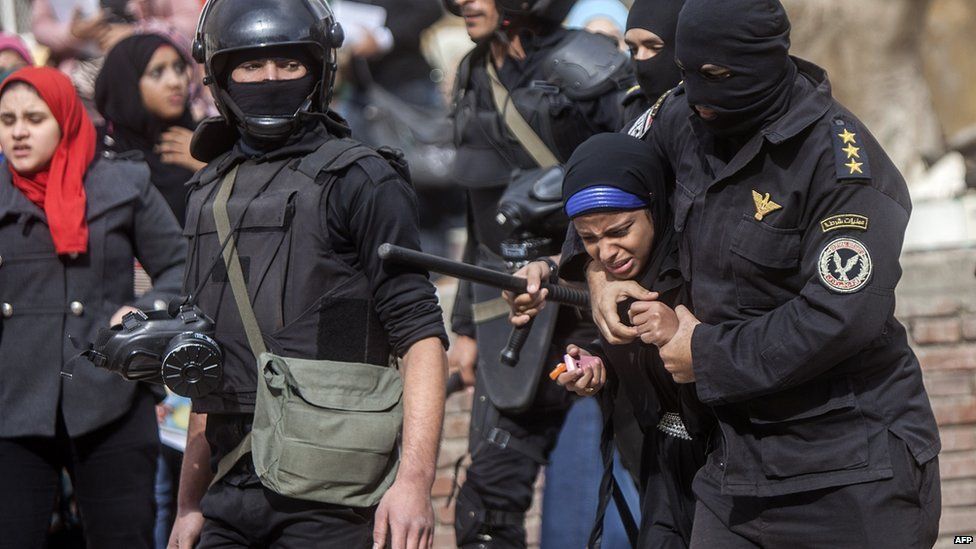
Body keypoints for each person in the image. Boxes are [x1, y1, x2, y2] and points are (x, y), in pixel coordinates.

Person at [577, 0, 942, 546]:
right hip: (733, 468)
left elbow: (840, 316)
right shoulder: (686, 113)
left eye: (716, 77)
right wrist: (597, 272)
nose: (698, 95)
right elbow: (612, 176)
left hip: (851, 471)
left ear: (764, 62)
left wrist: (704, 353)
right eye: (685, 73)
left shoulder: (841, 166)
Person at [167, 0, 449, 548]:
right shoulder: (207, 194)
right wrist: (188, 504)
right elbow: (205, 363)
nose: (270, 78)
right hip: (228, 491)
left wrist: (415, 482)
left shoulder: (362, 178)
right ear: (219, 74)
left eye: (289, 64)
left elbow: (420, 337)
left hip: (338, 497)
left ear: (319, 69)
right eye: (250, 66)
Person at [443, 0, 632, 546]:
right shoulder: (473, 72)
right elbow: (478, 213)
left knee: (650, 481)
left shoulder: (593, 63)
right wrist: (465, 324)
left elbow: (641, 182)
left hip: (591, 298)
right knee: (487, 504)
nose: (463, 4)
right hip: (514, 311)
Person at [0, 66, 186, 548]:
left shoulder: (121, 183)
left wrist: (146, 312)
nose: (18, 131)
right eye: (7, 119)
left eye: (34, 118)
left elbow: (181, 266)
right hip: (12, 404)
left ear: (65, 119)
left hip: (111, 396)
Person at [512, 132, 711, 548]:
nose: (606, 252)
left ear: (655, 206)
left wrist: (684, 337)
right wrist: (600, 363)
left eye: (621, 230)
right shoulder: (618, 282)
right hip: (660, 479)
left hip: (726, 482)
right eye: (588, 239)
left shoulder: (707, 270)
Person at [95, 32, 204, 226]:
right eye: (157, 72)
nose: (175, 82)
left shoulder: (203, 139)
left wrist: (209, 169)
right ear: (127, 83)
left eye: (179, 68)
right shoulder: (96, 152)